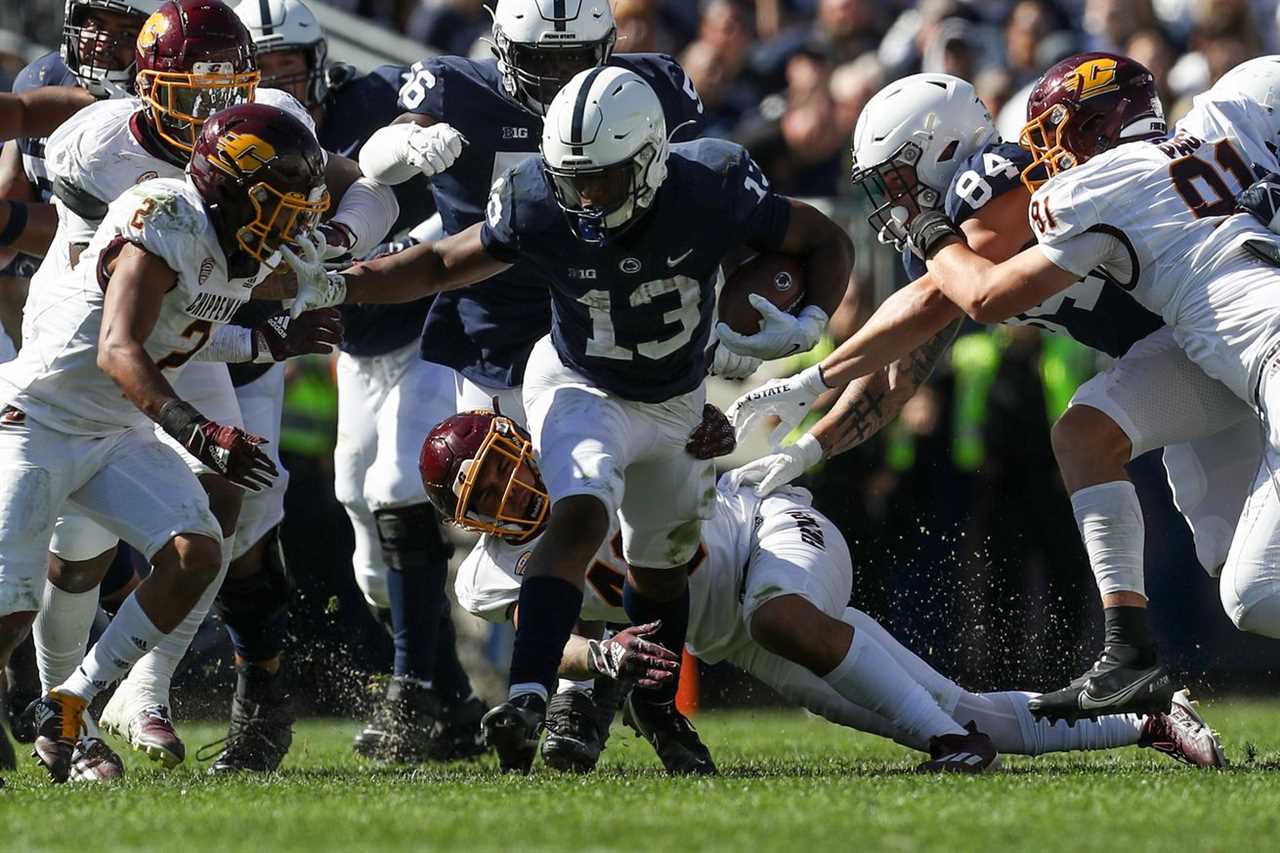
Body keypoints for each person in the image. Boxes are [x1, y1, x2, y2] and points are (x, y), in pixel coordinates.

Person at [286, 66, 854, 773]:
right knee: (578, 510)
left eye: (602, 179)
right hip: (578, 378)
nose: (584, 195)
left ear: (649, 158)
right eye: (571, 176)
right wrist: (339, 281)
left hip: (675, 391)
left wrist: (809, 319)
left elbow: (827, 240)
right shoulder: (537, 199)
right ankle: (530, 695)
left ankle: (655, 705)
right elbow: (438, 262)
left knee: (663, 563)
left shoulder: (712, 184)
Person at [725, 64, 1277, 721]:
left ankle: (1130, 656)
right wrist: (811, 446)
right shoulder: (1185, 141)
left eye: (898, 179)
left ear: (943, 149)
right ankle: (1130, 657)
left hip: (1239, 342)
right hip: (1193, 351)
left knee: (1256, 587)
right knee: (1117, 460)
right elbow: (904, 370)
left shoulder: (1021, 178)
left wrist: (821, 369)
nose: (894, 201)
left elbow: (964, 293)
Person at [432, 408, 1225, 773]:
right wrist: (599, 651)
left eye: (506, 463)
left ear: (525, 440)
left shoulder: (588, 450)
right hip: (734, 633)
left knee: (781, 615)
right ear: (464, 517)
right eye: (487, 491)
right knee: (964, 710)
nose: (511, 488)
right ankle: (1145, 721)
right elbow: (549, 640)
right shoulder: (490, 572)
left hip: (770, 534)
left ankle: (954, 750)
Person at [19, 0, 381, 776]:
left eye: (227, 88)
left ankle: (98, 702)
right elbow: (122, 336)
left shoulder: (240, 188)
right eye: (191, 89)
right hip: (62, 389)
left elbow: (189, 318)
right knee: (46, 576)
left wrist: (271, 330)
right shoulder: (136, 178)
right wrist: (198, 426)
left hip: (143, 379)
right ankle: (60, 704)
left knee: (207, 531)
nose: (212, 108)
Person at [229, 0, 481, 770]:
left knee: (402, 486)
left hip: (429, 324)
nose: (276, 84)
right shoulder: (238, 140)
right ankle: (452, 702)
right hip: (356, 349)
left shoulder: (378, 101)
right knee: (362, 529)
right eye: (260, 70)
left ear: (319, 64)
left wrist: (384, 254)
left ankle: (412, 694)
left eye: (287, 69)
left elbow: (462, 206)